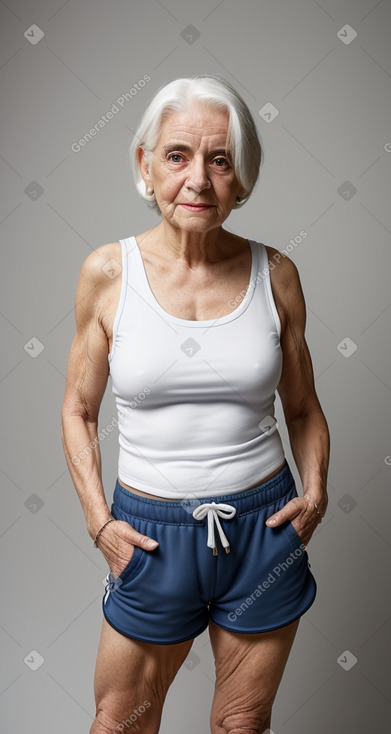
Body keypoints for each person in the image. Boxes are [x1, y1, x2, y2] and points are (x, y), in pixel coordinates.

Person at [61, 74, 330, 734]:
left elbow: (302, 408)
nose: (198, 181)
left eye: (220, 160)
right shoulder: (108, 273)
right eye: (178, 156)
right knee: (119, 722)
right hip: (150, 536)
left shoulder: (277, 274)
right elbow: (78, 410)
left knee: (241, 723)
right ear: (144, 165)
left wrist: (315, 492)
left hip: (263, 531)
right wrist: (100, 524)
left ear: (241, 177)